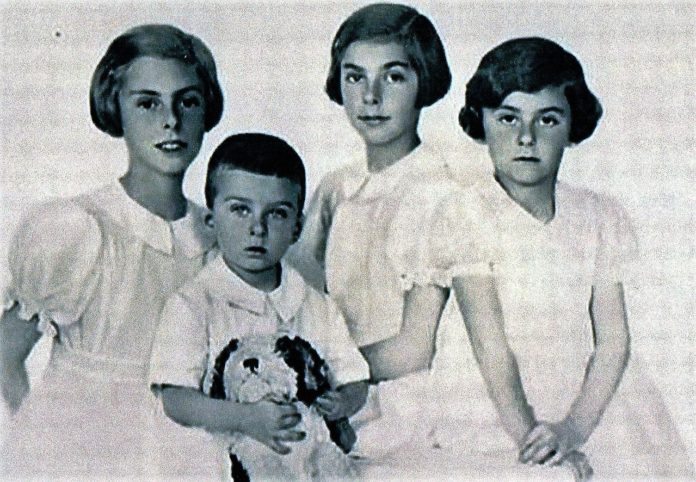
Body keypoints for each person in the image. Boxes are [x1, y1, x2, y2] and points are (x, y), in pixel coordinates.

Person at [394, 36, 695, 478]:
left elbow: (613, 341)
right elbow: (490, 345)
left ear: (572, 127)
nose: (526, 138)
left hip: (585, 401)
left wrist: (573, 429)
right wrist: (532, 441)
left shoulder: (600, 215)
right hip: (494, 406)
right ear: (481, 121)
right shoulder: (464, 212)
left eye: (547, 119)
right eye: (508, 118)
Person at [0, 24, 223, 477]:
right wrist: (38, 440)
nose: (171, 121)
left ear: (206, 110)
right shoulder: (82, 230)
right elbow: (5, 354)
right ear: (115, 107)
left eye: (187, 101)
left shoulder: (218, 237)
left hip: (186, 460)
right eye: (147, 103)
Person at [287, 4, 471, 471]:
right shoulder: (337, 188)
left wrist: (322, 376)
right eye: (354, 77)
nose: (370, 97)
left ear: (423, 82)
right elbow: (291, 291)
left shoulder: (440, 192)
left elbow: (414, 349)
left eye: (393, 77)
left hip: (403, 404)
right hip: (332, 390)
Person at [148, 133, 370, 479]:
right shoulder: (192, 305)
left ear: (297, 228)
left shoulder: (316, 305)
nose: (258, 228)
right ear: (211, 219)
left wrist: (343, 402)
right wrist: (246, 418)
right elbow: (176, 400)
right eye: (240, 209)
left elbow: (356, 379)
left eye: (277, 214)